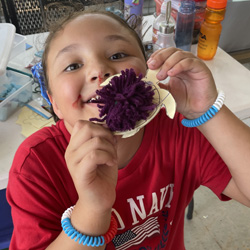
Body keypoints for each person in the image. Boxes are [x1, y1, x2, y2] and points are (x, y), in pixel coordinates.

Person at [7, 9, 250, 250]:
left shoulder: (179, 128)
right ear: (55, 103)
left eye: (117, 54)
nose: (99, 70)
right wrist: (91, 210)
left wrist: (206, 111)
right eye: (72, 66)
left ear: (148, 72)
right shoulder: (36, 165)